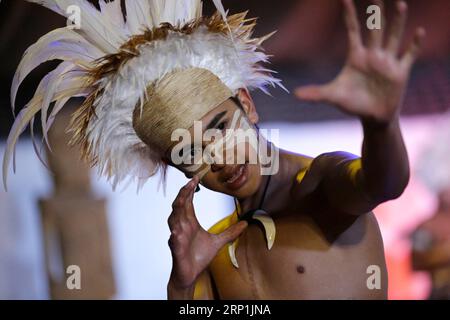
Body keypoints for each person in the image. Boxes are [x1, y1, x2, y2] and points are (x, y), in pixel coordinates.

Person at [4, 0, 424, 299]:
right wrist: (184, 285)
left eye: (221, 127)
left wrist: (381, 123)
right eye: (191, 154)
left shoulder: (317, 187)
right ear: (182, 171)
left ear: (247, 104)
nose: (220, 158)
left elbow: (381, 182)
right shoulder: (212, 252)